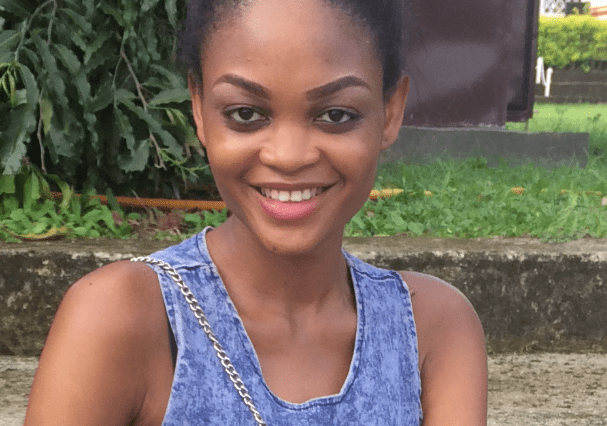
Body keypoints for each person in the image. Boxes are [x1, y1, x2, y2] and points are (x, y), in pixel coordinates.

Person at [24, 0, 487, 424]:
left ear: (390, 111)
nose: (288, 156)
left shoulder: (431, 330)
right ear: (199, 108)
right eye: (246, 114)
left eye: (336, 115)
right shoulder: (121, 318)